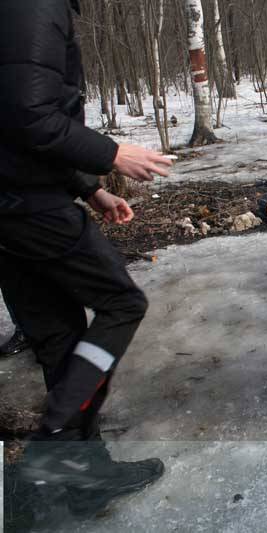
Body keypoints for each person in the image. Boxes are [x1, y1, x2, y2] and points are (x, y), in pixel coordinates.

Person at [0, 0, 173, 517]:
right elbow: (27, 114)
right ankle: (53, 442)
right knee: (122, 303)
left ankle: (84, 477)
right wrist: (111, 153)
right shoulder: (34, 6)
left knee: (59, 340)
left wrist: (89, 189)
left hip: (13, 203)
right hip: (28, 205)